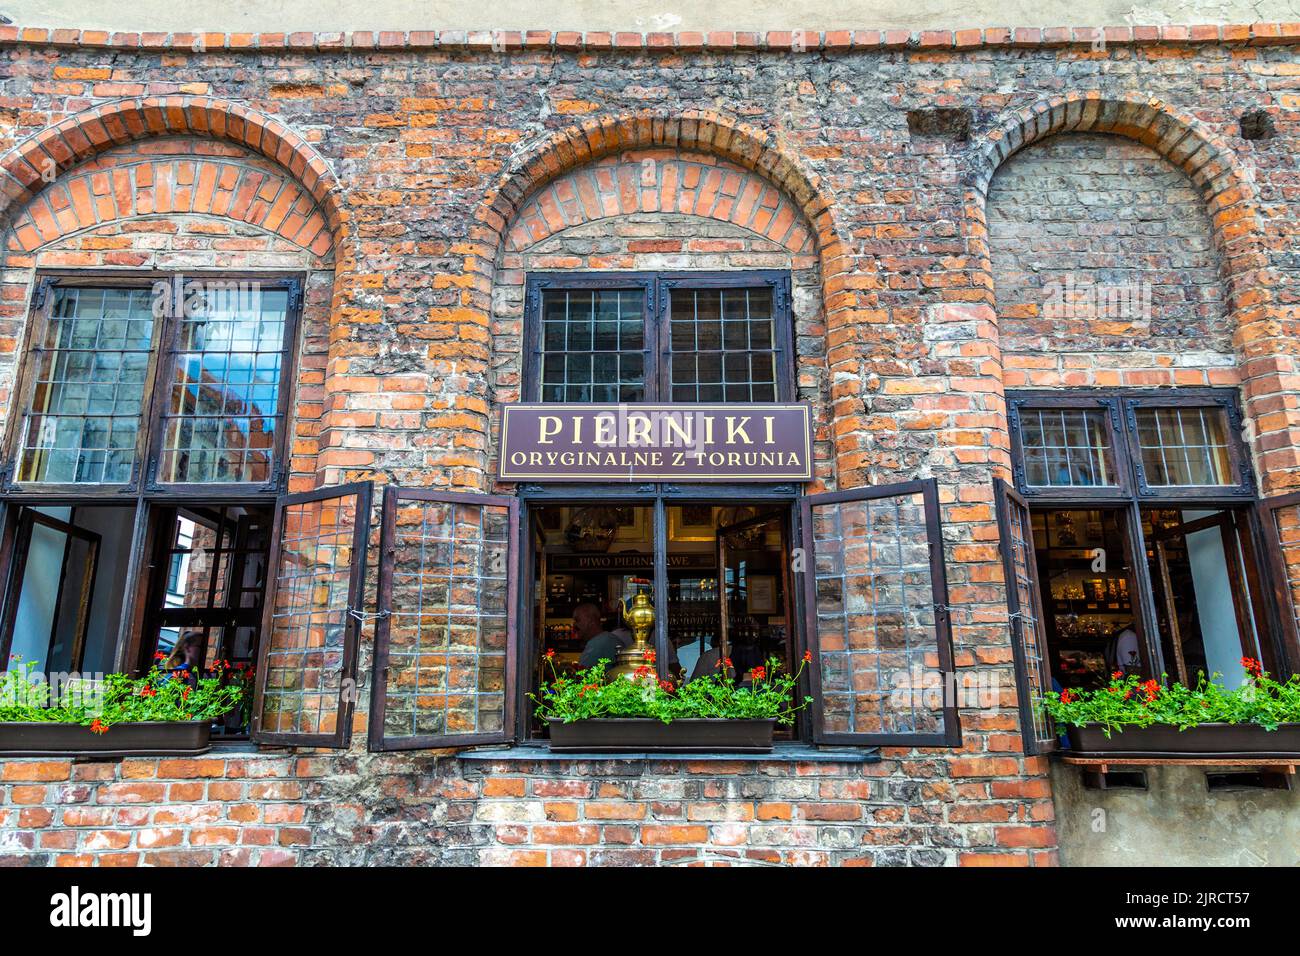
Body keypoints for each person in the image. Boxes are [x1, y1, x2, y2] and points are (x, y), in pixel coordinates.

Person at [574, 602, 629, 669]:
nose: (574, 624)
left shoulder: (598, 644)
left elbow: (581, 672)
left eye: (577, 620)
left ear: (590, 620)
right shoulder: (608, 639)